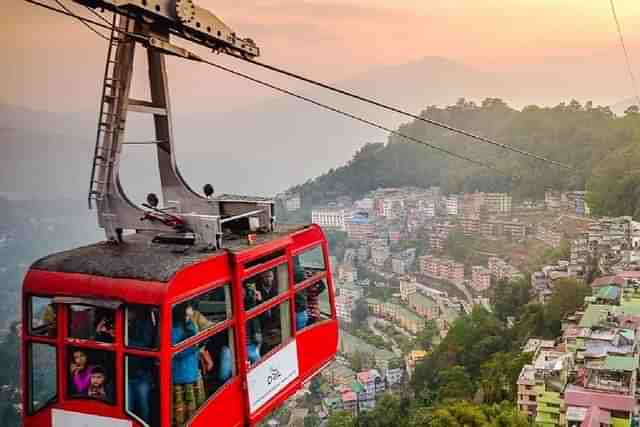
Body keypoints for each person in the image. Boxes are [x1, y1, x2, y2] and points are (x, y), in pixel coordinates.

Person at [172, 303, 206, 427]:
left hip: (193, 370)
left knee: (196, 409)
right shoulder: (173, 330)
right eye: (189, 308)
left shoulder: (190, 324)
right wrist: (195, 346)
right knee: (182, 412)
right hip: (181, 376)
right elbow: (176, 353)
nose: (191, 310)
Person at [127, 307, 156, 425]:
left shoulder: (145, 325)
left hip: (141, 374)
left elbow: (144, 345)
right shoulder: (119, 322)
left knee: (143, 407)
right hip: (125, 373)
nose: (128, 313)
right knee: (128, 407)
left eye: (129, 310)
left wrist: (118, 337)